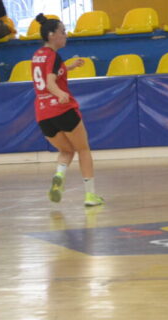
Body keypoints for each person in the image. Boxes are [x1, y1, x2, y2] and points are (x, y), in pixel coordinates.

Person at [31, 13, 104, 207]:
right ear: (52, 35)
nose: (66, 35)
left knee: (66, 150)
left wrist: (68, 67)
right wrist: (59, 94)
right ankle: (90, 196)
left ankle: (59, 177)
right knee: (83, 149)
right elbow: (50, 81)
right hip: (62, 109)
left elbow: (49, 72)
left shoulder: (38, 55)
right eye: (63, 32)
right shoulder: (54, 56)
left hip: (42, 113)